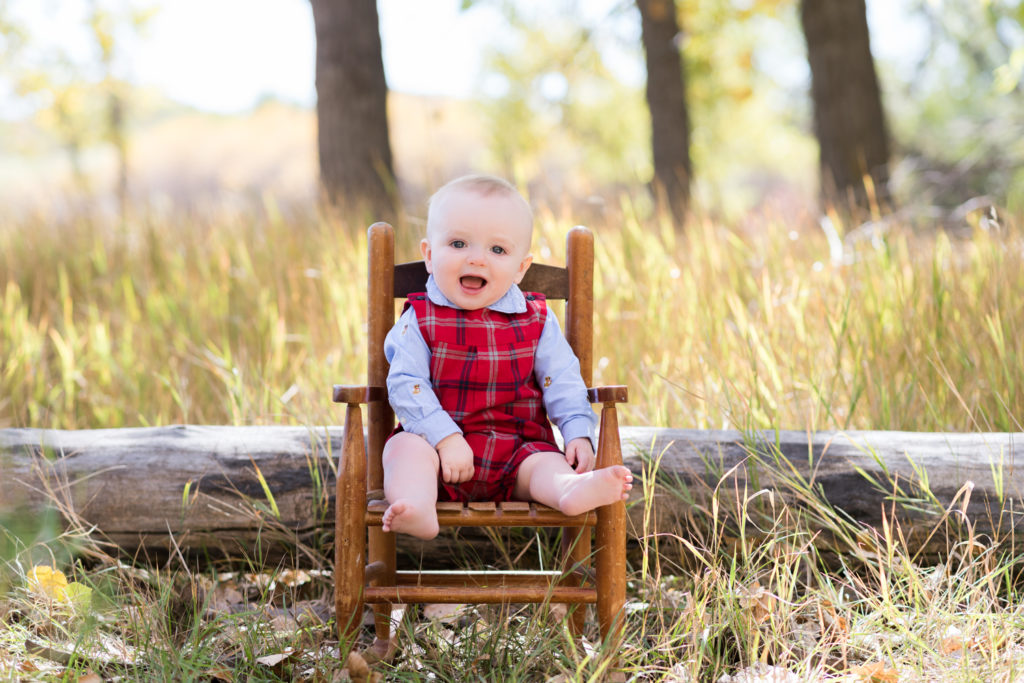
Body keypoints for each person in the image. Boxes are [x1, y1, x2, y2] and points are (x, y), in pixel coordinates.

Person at [381, 174, 633, 540]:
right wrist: (444, 438)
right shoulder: (419, 319)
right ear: (430, 256)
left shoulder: (538, 319)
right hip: (438, 453)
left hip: (517, 451)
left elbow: (561, 379)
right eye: (458, 243)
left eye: (497, 250)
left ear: (520, 268)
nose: (477, 259)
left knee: (547, 465)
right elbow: (406, 384)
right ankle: (416, 505)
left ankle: (568, 490)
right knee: (403, 449)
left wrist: (577, 431)